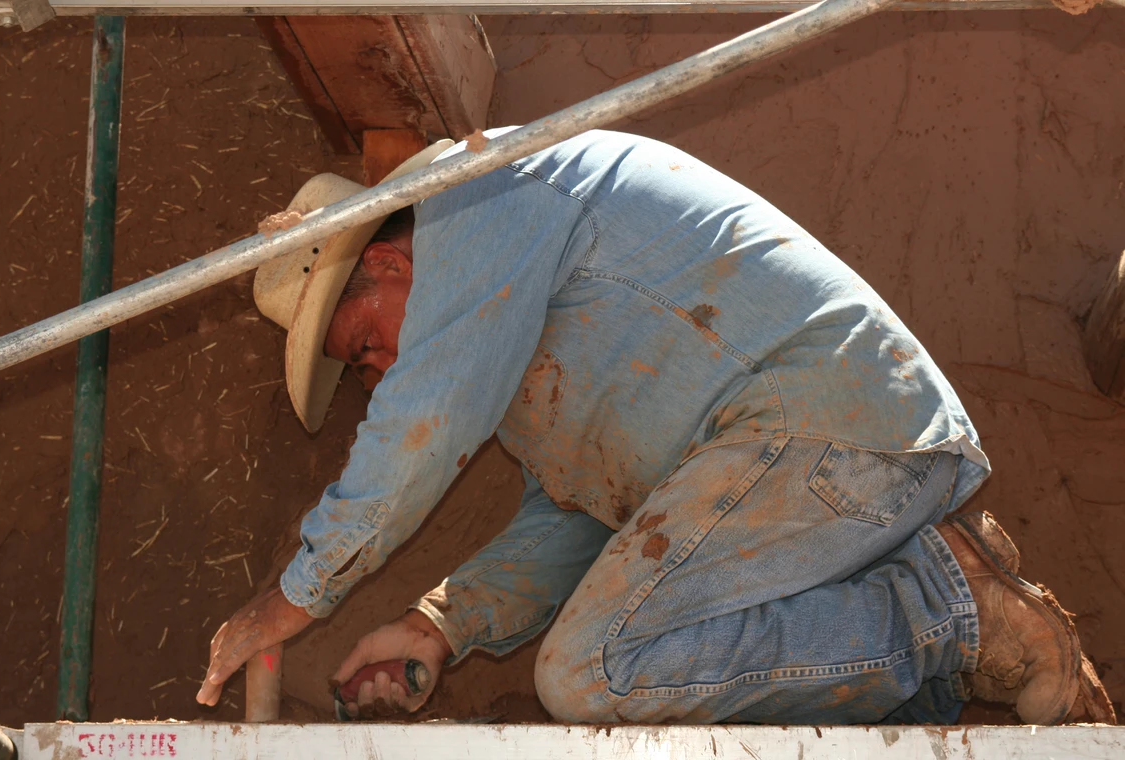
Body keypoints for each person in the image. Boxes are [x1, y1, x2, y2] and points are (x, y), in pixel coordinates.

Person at [195, 128, 1115, 725]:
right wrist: (440, 626)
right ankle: (944, 634)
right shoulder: (523, 348)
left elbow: (421, 426)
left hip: (825, 428)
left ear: (390, 264)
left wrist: (289, 598)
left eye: (365, 347)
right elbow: (591, 523)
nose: (382, 374)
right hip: (819, 473)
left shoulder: (476, 192)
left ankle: (946, 615)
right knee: (694, 675)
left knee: (593, 673)